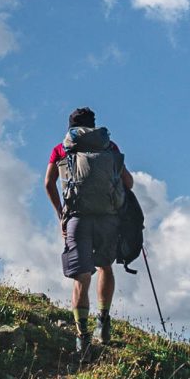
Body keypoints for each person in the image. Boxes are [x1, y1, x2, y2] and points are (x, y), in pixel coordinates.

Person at [44, 106, 132, 357]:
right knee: (105, 266)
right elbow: (128, 182)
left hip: (76, 218)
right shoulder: (109, 146)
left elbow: (48, 183)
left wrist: (60, 213)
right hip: (108, 217)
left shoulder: (62, 148)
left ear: (71, 126)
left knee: (82, 277)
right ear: (94, 125)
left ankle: (82, 338)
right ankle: (103, 322)